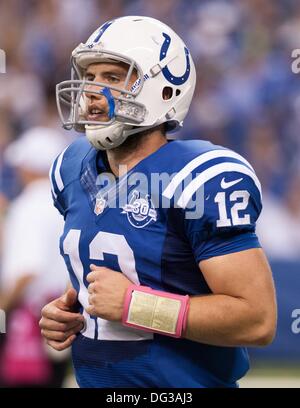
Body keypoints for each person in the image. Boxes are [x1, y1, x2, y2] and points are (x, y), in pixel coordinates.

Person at [40, 16, 277, 388]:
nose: (91, 91)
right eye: (90, 76)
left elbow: (256, 320)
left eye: (113, 78)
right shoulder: (70, 168)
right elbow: (121, 268)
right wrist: (70, 307)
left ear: (164, 90)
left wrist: (136, 306)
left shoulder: (199, 177)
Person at [0, 127, 70, 387]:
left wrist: (0, 312)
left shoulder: (28, 206)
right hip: (63, 317)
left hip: (33, 319)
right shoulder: (66, 205)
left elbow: (26, 271)